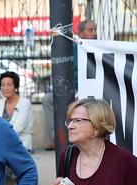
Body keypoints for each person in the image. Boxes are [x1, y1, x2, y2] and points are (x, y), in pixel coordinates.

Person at [42, 19, 97, 151]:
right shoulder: (72, 48)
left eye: (95, 30)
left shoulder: (99, 49)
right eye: (91, 30)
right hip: (73, 89)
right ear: (80, 33)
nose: (95, 33)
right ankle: (57, 139)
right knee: (47, 99)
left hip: (92, 89)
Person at [0, 71, 33, 152]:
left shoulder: (25, 103)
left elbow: (18, 128)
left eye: (9, 85)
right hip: (0, 143)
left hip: (20, 144)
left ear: (16, 87)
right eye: (3, 85)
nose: (5, 88)